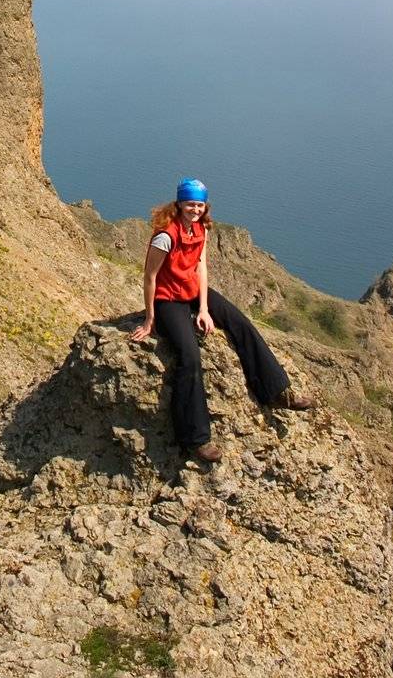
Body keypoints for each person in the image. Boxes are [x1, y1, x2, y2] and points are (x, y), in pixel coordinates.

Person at [129, 176, 313, 463]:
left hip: (192, 293)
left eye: (200, 205)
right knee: (189, 356)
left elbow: (200, 266)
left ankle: (276, 391)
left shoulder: (201, 229)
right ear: (178, 204)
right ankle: (195, 439)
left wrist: (203, 308)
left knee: (241, 323)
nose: (195, 209)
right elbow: (150, 277)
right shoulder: (166, 235)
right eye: (190, 204)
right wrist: (150, 318)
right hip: (168, 299)